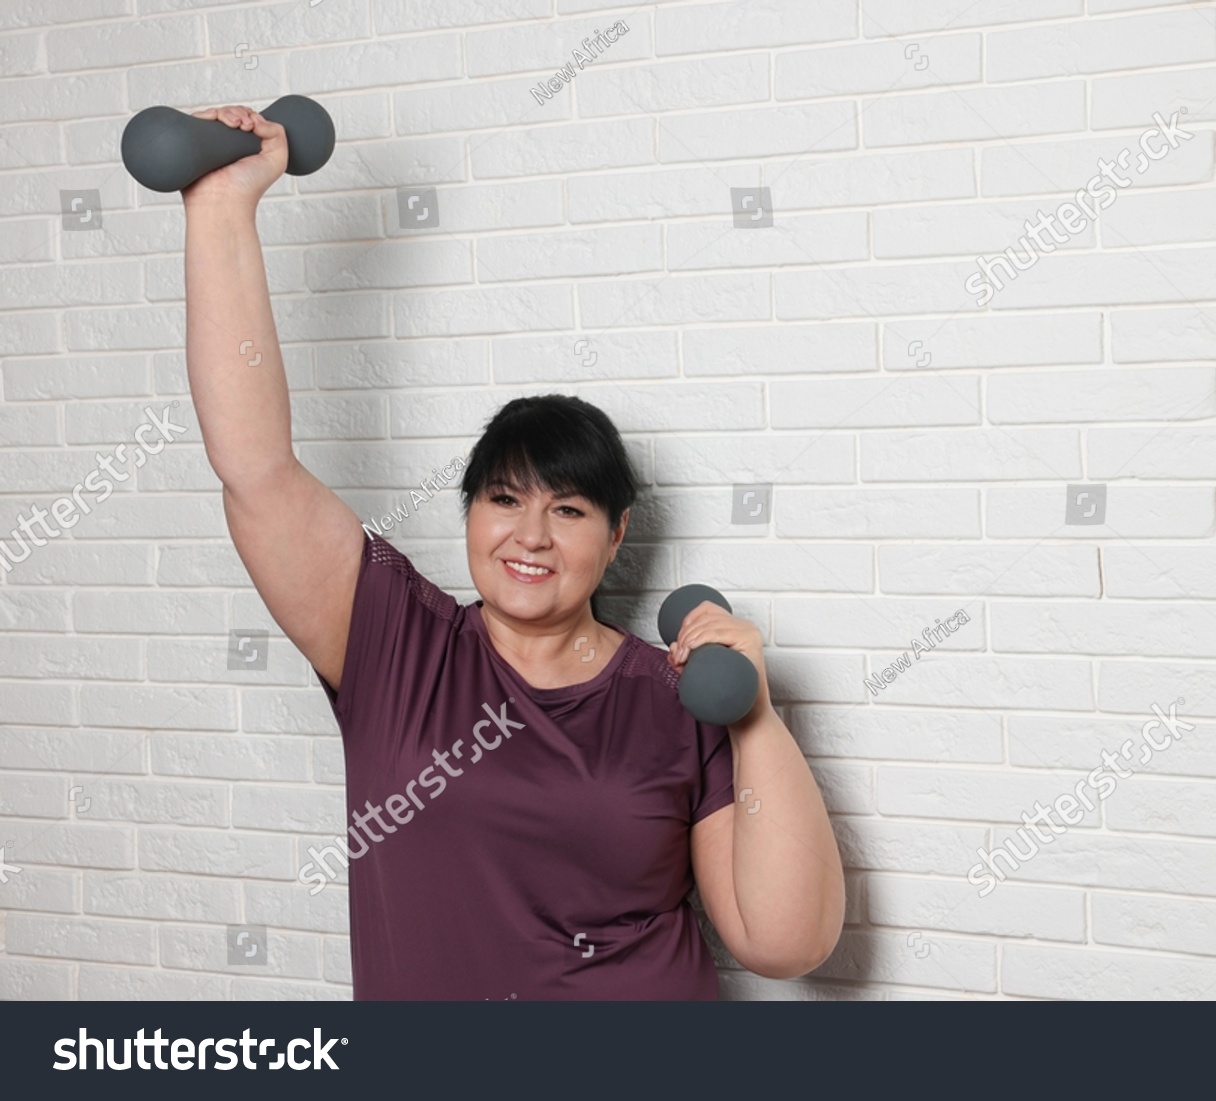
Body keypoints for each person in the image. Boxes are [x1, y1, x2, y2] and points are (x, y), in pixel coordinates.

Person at [182, 104, 845, 999]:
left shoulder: (677, 700)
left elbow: (786, 941)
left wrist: (755, 711)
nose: (529, 534)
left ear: (614, 538)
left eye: (567, 510)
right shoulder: (394, 645)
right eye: (502, 499)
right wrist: (221, 206)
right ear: (469, 517)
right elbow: (256, 469)